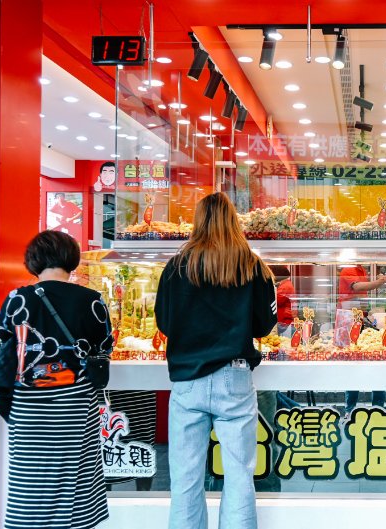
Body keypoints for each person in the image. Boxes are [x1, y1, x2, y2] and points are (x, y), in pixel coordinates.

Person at [155, 192, 276, 529]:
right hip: (233, 378)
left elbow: (164, 322)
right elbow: (266, 325)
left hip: (187, 379)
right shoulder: (252, 265)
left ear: (198, 220)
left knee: (185, 481)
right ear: (234, 220)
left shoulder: (178, 265)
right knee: (239, 477)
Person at [0, 231, 111, 529]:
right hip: (74, 403)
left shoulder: (16, 300)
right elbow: (104, 349)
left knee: (28, 478)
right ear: (71, 260)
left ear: (33, 260)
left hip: (28, 404)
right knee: (77, 477)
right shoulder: (92, 300)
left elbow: (3, 347)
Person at [338, 264, 386, 421]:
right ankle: (350, 409)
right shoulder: (348, 269)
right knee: (352, 368)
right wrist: (380, 281)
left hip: (361, 319)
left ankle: (378, 409)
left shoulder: (362, 270)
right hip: (348, 321)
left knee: (376, 365)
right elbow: (358, 287)